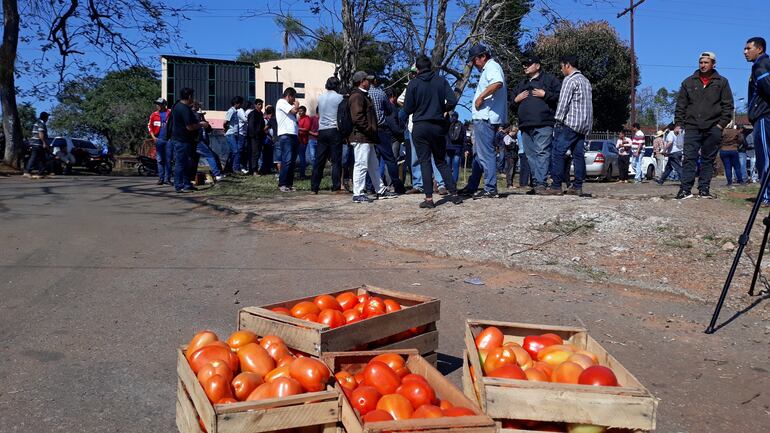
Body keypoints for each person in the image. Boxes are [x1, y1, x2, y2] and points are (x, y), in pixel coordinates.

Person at [403, 55, 462, 208]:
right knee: (441, 161)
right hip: (437, 125)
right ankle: (454, 194)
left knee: (424, 161)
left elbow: (407, 108)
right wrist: (443, 109)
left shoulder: (413, 84)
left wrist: (417, 107)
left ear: (417, 67)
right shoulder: (441, 81)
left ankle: (429, 199)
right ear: (430, 67)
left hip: (420, 125)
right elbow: (453, 101)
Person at [674, 51, 734, 199]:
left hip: (713, 127)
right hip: (692, 126)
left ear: (713, 64)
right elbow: (681, 105)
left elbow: (728, 105)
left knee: (708, 159)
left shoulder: (722, 82)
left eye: (706, 62)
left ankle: (704, 189)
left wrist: (721, 125)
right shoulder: (688, 82)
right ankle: (685, 189)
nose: (703, 65)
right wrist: (678, 123)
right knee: (689, 158)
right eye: (701, 62)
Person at [460, 43, 507, 198]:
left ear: (483, 56)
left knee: (485, 154)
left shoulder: (492, 66)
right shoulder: (490, 68)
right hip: (486, 117)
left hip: (485, 117)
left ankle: (490, 188)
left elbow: (497, 83)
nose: (473, 64)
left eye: (474, 60)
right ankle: (473, 185)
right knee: (479, 155)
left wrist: (481, 97)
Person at [510, 54, 561, 193]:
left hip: (543, 123)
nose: (525, 66)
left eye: (528, 63)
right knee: (530, 155)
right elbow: (511, 104)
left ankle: (541, 183)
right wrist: (516, 99)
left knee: (542, 152)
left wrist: (545, 95)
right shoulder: (522, 84)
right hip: (525, 125)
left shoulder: (549, 80)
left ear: (537, 66)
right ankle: (538, 182)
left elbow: (560, 96)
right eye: (524, 64)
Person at [546, 55, 593, 195]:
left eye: (561, 66)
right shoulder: (586, 81)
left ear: (567, 65)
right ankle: (577, 185)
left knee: (558, 153)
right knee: (578, 154)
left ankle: (556, 185)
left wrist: (558, 120)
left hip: (570, 123)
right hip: (584, 124)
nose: (561, 70)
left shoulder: (570, 80)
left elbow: (563, 102)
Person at [348, 71, 397, 203]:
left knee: (373, 165)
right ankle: (357, 193)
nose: (369, 82)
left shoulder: (362, 95)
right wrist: (370, 129)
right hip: (361, 136)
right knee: (361, 164)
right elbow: (357, 118)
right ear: (361, 81)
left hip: (366, 137)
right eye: (367, 80)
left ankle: (380, 190)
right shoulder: (357, 96)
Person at [167, 87, 209, 193]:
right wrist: (201, 124)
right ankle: (179, 185)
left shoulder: (176, 105)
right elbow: (189, 127)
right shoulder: (184, 109)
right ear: (189, 96)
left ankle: (186, 184)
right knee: (181, 163)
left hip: (180, 139)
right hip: (182, 140)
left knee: (186, 163)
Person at [745, 37, 770, 204]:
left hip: (764, 116)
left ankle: (767, 195)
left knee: (765, 156)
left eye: (748, 48)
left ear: (759, 49)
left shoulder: (761, 65)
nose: (745, 52)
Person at [370, 75, 405, 194]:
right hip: (385, 132)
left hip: (367, 130)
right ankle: (393, 184)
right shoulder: (380, 94)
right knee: (390, 160)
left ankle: (371, 186)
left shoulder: (360, 94)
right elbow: (390, 116)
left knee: (371, 160)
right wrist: (401, 132)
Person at [311, 77, 345, 194]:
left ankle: (314, 187)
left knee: (319, 160)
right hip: (334, 130)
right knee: (336, 160)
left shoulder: (320, 98)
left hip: (322, 130)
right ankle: (336, 186)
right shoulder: (339, 98)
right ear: (337, 86)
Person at [276, 88, 301, 192]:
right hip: (286, 135)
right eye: (293, 97)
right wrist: (297, 105)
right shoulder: (281, 102)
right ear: (289, 95)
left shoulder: (289, 106)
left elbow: (297, 118)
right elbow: (294, 111)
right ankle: (282, 183)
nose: (294, 99)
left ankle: (289, 184)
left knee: (292, 161)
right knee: (287, 159)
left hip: (293, 135)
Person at [192, 102, 223, 181]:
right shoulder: (193, 117)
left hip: (203, 141)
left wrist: (204, 121)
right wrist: (200, 121)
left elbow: (209, 130)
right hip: (197, 141)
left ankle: (192, 177)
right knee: (211, 156)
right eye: (196, 107)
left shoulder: (201, 119)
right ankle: (217, 174)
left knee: (195, 160)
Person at [147, 98, 172, 185]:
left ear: (164, 104)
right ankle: (161, 178)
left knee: (168, 160)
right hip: (159, 140)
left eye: (160, 104)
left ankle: (167, 179)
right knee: (160, 160)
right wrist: (153, 137)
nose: (158, 105)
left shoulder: (170, 113)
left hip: (169, 140)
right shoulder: (154, 115)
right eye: (157, 104)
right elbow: (149, 126)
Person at [224, 96, 247, 174]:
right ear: (237, 103)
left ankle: (228, 168)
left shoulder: (236, 112)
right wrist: (226, 129)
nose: (241, 105)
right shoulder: (231, 111)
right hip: (230, 133)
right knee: (236, 151)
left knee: (233, 152)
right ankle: (235, 168)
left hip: (234, 134)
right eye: (241, 103)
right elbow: (225, 122)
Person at [24, 112, 50, 178]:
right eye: (47, 117)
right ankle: (27, 172)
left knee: (42, 159)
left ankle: (41, 173)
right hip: (38, 143)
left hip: (36, 143)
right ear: (45, 117)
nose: (48, 119)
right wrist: (44, 143)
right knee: (34, 158)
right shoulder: (41, 123)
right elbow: (41, 134)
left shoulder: (37, 122)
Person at [247, 99, 265, 176]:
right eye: (258, 104)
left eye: (261, 104)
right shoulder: (253, 113)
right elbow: (251, 126)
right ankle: (254, 170)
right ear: (255, 105)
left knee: (257, 153)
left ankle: (253, 169)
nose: (260, 106)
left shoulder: (261, 114)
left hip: (260, 136)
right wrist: (254, 136)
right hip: (254, 137)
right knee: (255, 153)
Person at [446, 112, 466, 184]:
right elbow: (464, 138)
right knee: (456, 167)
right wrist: (465, 149)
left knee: (447, 166)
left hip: (448, 148)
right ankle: (454, 183)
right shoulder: (462, 125)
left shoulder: (447, 124)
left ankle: (448, 183)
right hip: (458, 148)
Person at [297, 106, 311, 179]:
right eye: (299, 111)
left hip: (303, 141)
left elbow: (307, 129)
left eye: (301, 111)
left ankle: (302, 174)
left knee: (302, 158)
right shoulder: (299, 119)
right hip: (298, 140)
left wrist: (297, 128)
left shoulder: (306, 118)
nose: (300, 112)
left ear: (305, 111)